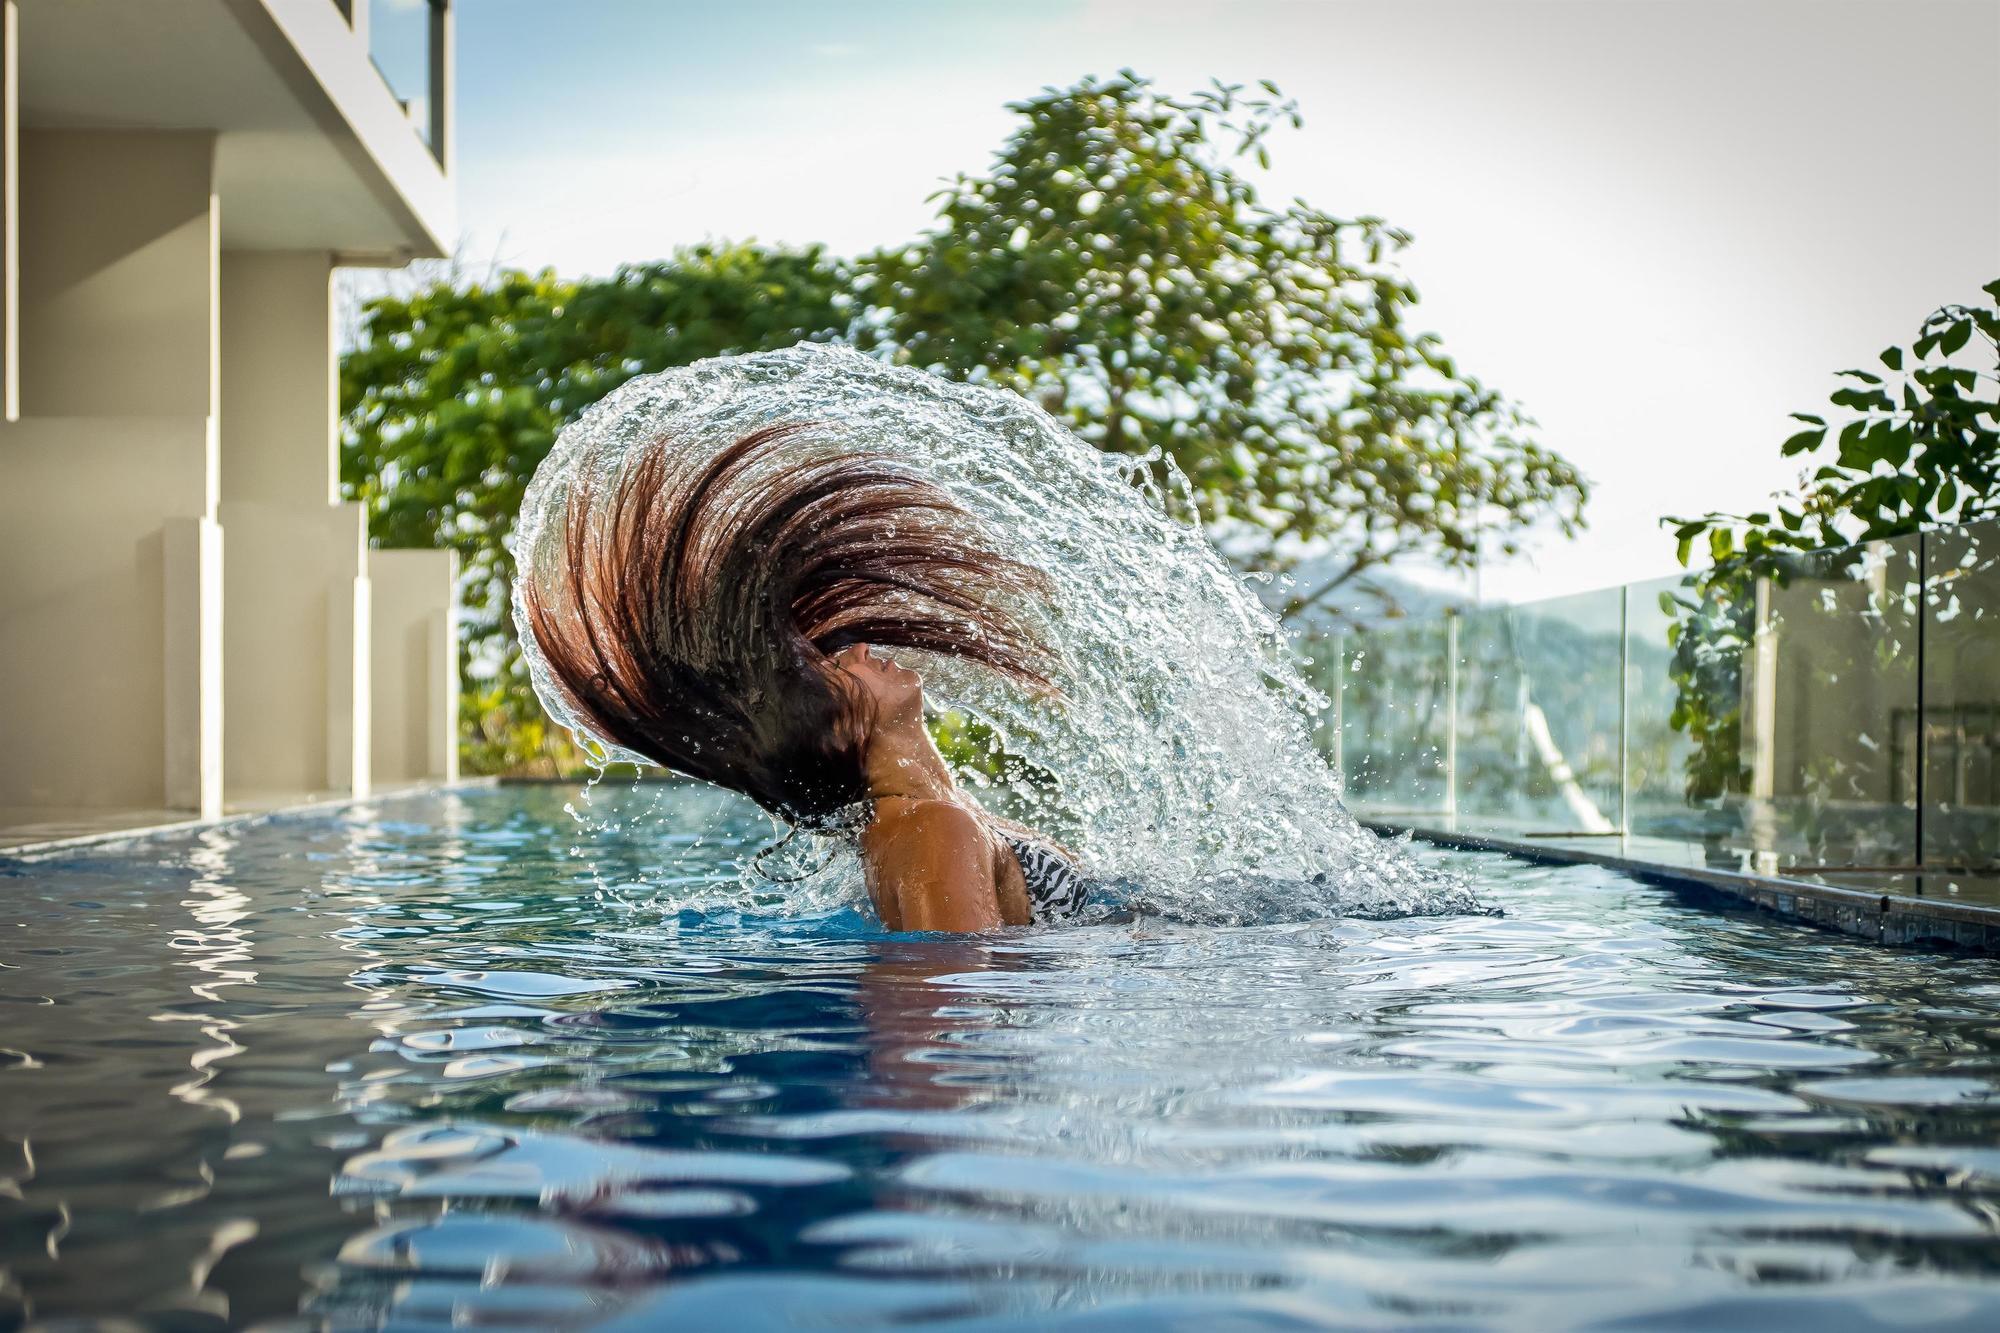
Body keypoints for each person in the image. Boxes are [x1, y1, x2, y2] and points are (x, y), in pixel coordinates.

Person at [517, 420, 1092, 932]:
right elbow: (947, 1019)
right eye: (835, 673)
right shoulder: (932, 830)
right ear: (839, 734)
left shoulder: (929, 818)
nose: (858, 651)